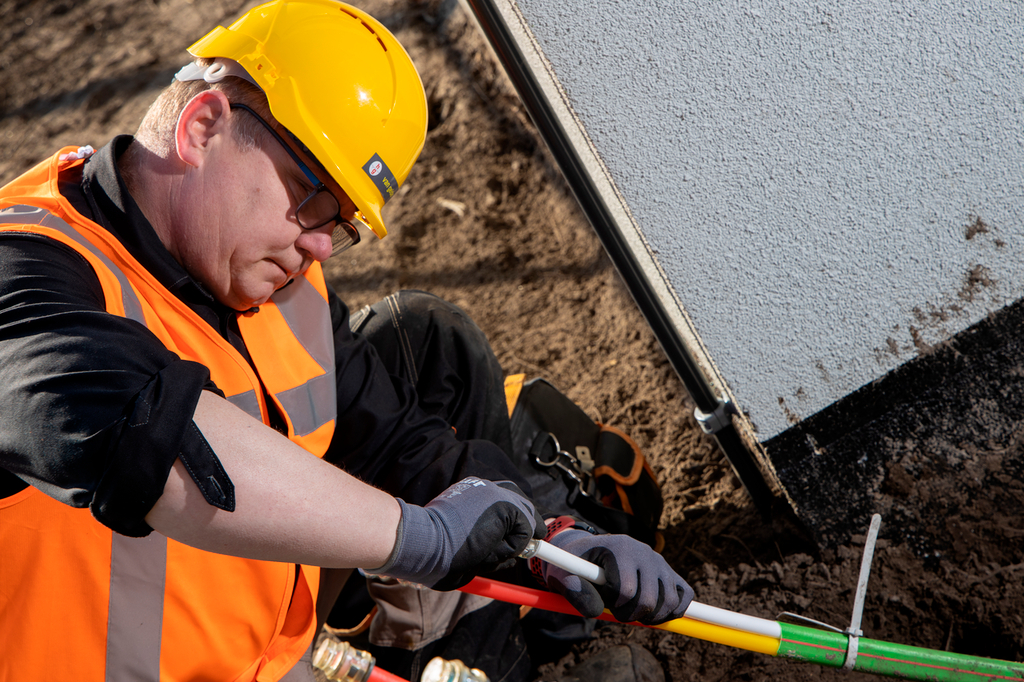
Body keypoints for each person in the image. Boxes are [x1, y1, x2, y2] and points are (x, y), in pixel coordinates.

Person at [0, 1, 694, 680]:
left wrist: (556, 536)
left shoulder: (272, 281)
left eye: (341, 225)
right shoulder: (26, 268)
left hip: (276, 660)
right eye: (315, 202)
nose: (321, 248)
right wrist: (421, 539)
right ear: (204, 126)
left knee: (423, 342)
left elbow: (396, 441)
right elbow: (146, 434)